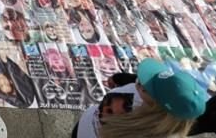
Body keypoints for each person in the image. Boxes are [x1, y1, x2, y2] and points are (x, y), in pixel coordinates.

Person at [73, 59, 206, 138]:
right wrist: (119, 78)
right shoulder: (142, 90)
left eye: (148, 87)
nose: (140, 83)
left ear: (158, 107)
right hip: (83, 127)